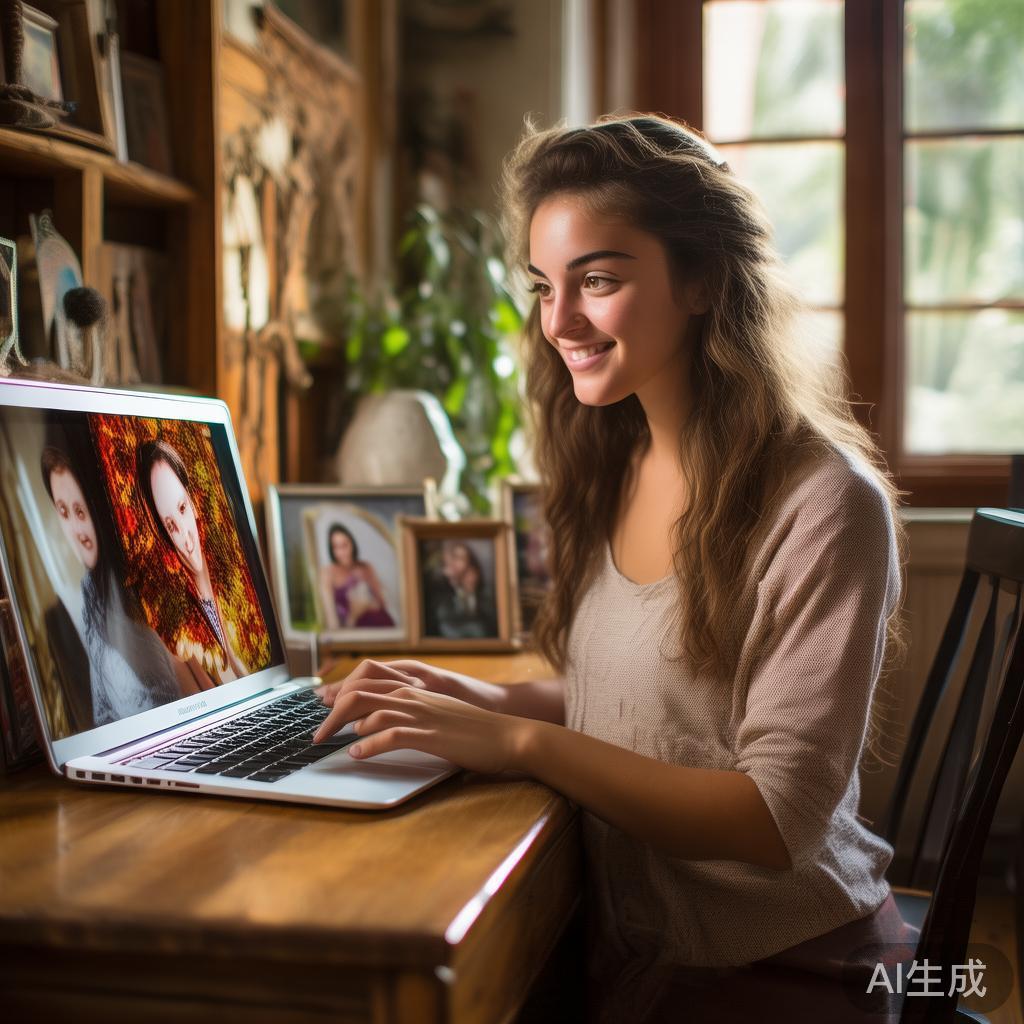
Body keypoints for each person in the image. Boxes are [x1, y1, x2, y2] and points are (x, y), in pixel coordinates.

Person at [312, 115, 915, 1022]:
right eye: (545, 286)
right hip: (636, 948)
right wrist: (482, 702)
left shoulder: (828, 505)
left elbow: (772, 817)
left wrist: (522, 743)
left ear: (705, 277)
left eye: (597, 280)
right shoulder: (617, 459)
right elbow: (662, 709)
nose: (559, 321)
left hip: (783, 964)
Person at [41, 440, 209, 729]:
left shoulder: (140, 586)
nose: (76, 531)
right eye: (64, 513)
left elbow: (193, 696)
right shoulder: (90, 596)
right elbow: (103, 712)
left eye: (80, 511)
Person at [137, 438, 250, 684]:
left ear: (193, 503)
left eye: (181, 508)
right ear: (164, 534)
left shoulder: (237, 591)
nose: (186, 538)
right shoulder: (182, 641)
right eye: (170, 526)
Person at [319, 522, 395, 630]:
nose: (341, 552)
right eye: (336, 547)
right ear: (332, 549)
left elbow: (383, 603)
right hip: (355, 632)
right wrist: (354, 614)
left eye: (344, 545)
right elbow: (332, 622)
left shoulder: (366, 568)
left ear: (352, 544)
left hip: (382, 626)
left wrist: (368, 604)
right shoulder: (327, 573)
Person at [424, 540, 498, 639]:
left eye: (462, 558)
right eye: (455, 557)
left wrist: (470, 590)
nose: (457, 564)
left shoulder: (485, 597)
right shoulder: (440, 590)